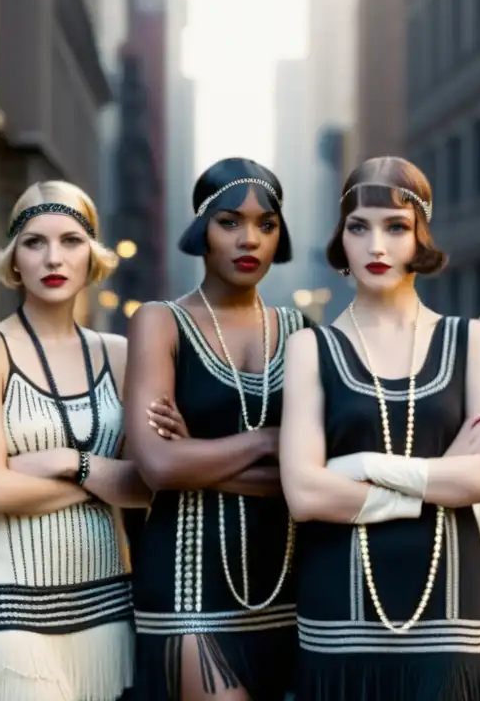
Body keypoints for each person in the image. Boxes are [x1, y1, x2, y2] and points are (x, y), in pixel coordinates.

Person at [280, 156, 480, 701]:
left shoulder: (471, 340)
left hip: (448, 600)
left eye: (396, 227)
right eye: (359, 227)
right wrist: (442, 477)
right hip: (336, 598)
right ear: (342, 238)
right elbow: (305, 495)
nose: (376, 247)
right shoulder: (310, 347)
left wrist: (358, 467)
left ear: (420, 237)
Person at [0, 180, 151, 701]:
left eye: (70, 240)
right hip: (5, 605)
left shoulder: (120, 353)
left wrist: (67, 462)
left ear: (92, 256)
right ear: (14, 259)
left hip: (103, 602)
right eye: (34, 241)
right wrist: (102, 478)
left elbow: (148, 485)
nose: (52, 257)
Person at [124, 158, 312, 701]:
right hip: (188, 587)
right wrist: (269, 441)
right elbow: (157, 466)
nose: (249, 238)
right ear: (201, 228)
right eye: (230, 221)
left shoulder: (304, 333)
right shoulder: (160, 322)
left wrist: (199, 458)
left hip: (291, 589)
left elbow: (316, 475)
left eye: (266, 225)